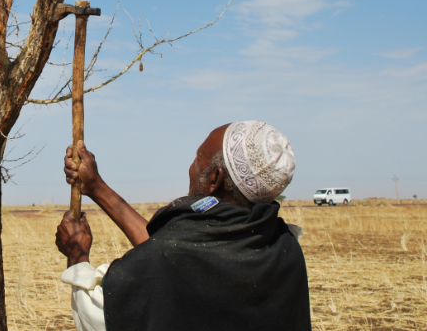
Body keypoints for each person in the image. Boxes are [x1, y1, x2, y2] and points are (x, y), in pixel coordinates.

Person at [55, 121, 310, 331]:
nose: (191, 166)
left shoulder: (176, 256)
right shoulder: (284, 247)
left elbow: (100, 316)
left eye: (198, 157)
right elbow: (173, 255)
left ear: (215, 179)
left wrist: (78, 255)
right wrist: (96, 186)